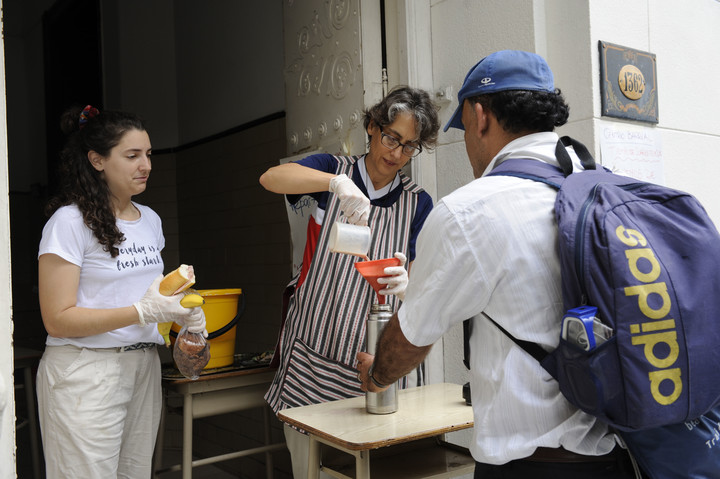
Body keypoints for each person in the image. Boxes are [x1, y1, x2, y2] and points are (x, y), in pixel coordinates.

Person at [356, 51, 640, 478]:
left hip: (532, 466)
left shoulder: (468, 210)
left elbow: (412, 337)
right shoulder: (602, 186)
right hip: (619, 459)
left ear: (479, 115)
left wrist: (377, 377)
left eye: (465, 128)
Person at [260, 86, 440, 477]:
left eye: (410, 147)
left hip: (379, 360)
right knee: (311, 465)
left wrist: (408, 284)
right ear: (373, 127)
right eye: (392, 137)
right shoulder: (332, 170)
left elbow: (428, 278)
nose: (396, 154)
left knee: (379, 467)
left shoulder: (417, 202)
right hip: (315, 354)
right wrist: (333, 185)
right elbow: (272, 177)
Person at [36, 104, 206, 478]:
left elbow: (149, 294)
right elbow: (57, 319)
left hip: (142, 364)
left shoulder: (151, 220)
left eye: (148, 154)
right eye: (131, 156)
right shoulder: (68, 222)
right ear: (97, 160)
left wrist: (182, 314)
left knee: (135, 473)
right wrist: (142, 312)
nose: (145, 165)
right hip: (86, 370)